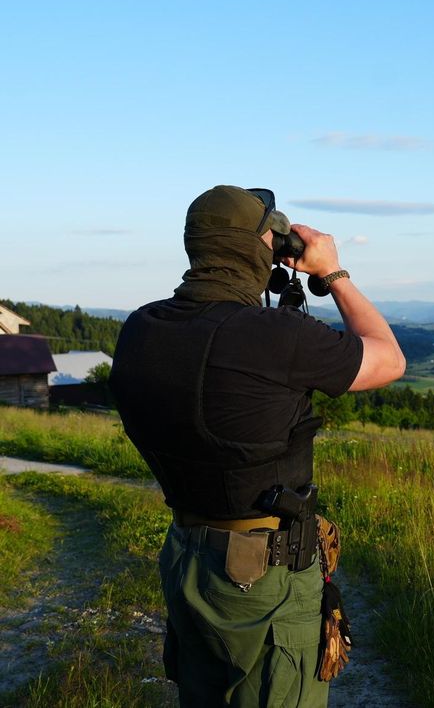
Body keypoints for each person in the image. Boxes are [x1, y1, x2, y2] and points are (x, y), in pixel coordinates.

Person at [109, 185, 405, 707]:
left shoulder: (142, 329)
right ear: (257, 246)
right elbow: (388, 359)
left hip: (186, 557)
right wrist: (332, 274)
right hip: (263, 577)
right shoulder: (273, 337)